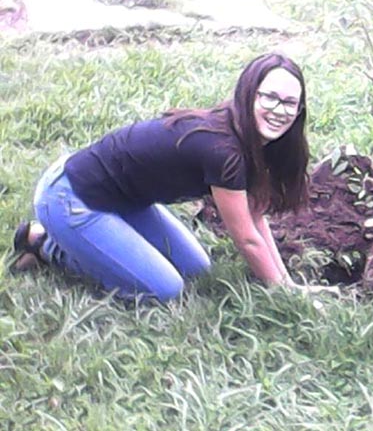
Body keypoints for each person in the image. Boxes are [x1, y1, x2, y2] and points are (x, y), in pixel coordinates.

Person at [13, 53, 336, 301]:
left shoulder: (250, 138)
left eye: (290, 103)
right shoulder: (223, 151)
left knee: (197, 269)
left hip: (126, 200)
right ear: (248, 93)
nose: (279, 110)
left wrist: (287, 283)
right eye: (269, 97)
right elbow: (247, 239)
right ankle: (43, 243)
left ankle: (95, 241)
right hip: (71, 195)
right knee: (164, 290)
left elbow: (255, 216)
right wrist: (281, 292)